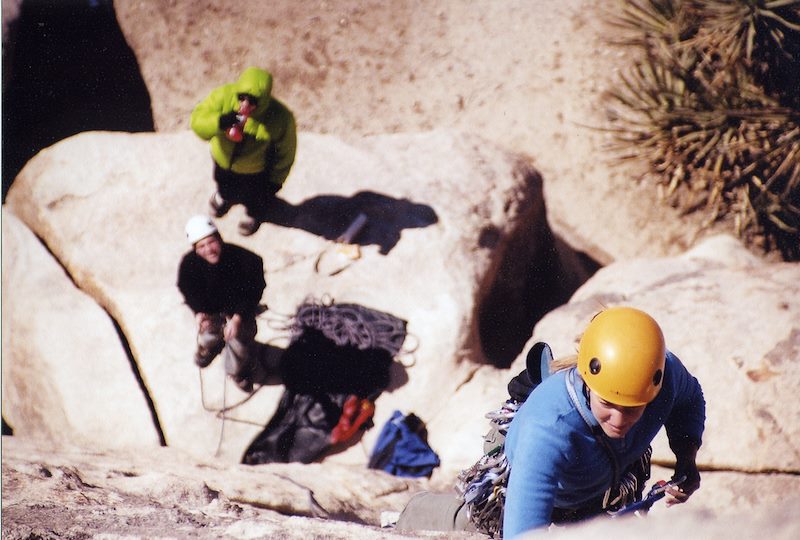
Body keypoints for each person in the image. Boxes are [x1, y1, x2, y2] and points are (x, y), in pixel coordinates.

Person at [395, 306, 705, 539]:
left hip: (601, 480)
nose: (620, 420)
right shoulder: (548, 429)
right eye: (608, 404)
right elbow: (524, 535)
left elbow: (690, 401)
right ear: (587, 381)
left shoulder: (662, 374)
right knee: (482, 526)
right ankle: (416, 511)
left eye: (634, 408)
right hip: (545, 475)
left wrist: (686, 461)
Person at [190, 66, 297, 236]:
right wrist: (219, 122)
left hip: (254, 172)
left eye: (253, 101)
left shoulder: (281, 118)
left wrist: (276, 180)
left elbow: (286, 152)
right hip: (223, 161)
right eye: (242, 97)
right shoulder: (223, 96)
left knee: (256, 197)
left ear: (263, 100)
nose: (245, 104)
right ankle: (224, 198)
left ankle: (253, 213)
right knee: (223, 184)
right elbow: (197, 122)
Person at [177, 215, 267, 392]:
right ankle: (209, 347)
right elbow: (187, 289)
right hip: (211, 311)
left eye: (211, 242)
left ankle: (237, 371)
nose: (209, 250)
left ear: (219, 238)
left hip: (239, 312)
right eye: (201, 246)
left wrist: (238, 318)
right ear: (195, 249)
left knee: (240, 344)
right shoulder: (189, 265)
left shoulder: (247, 260)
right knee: (207, 332)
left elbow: (254, 290)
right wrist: (198, 312)